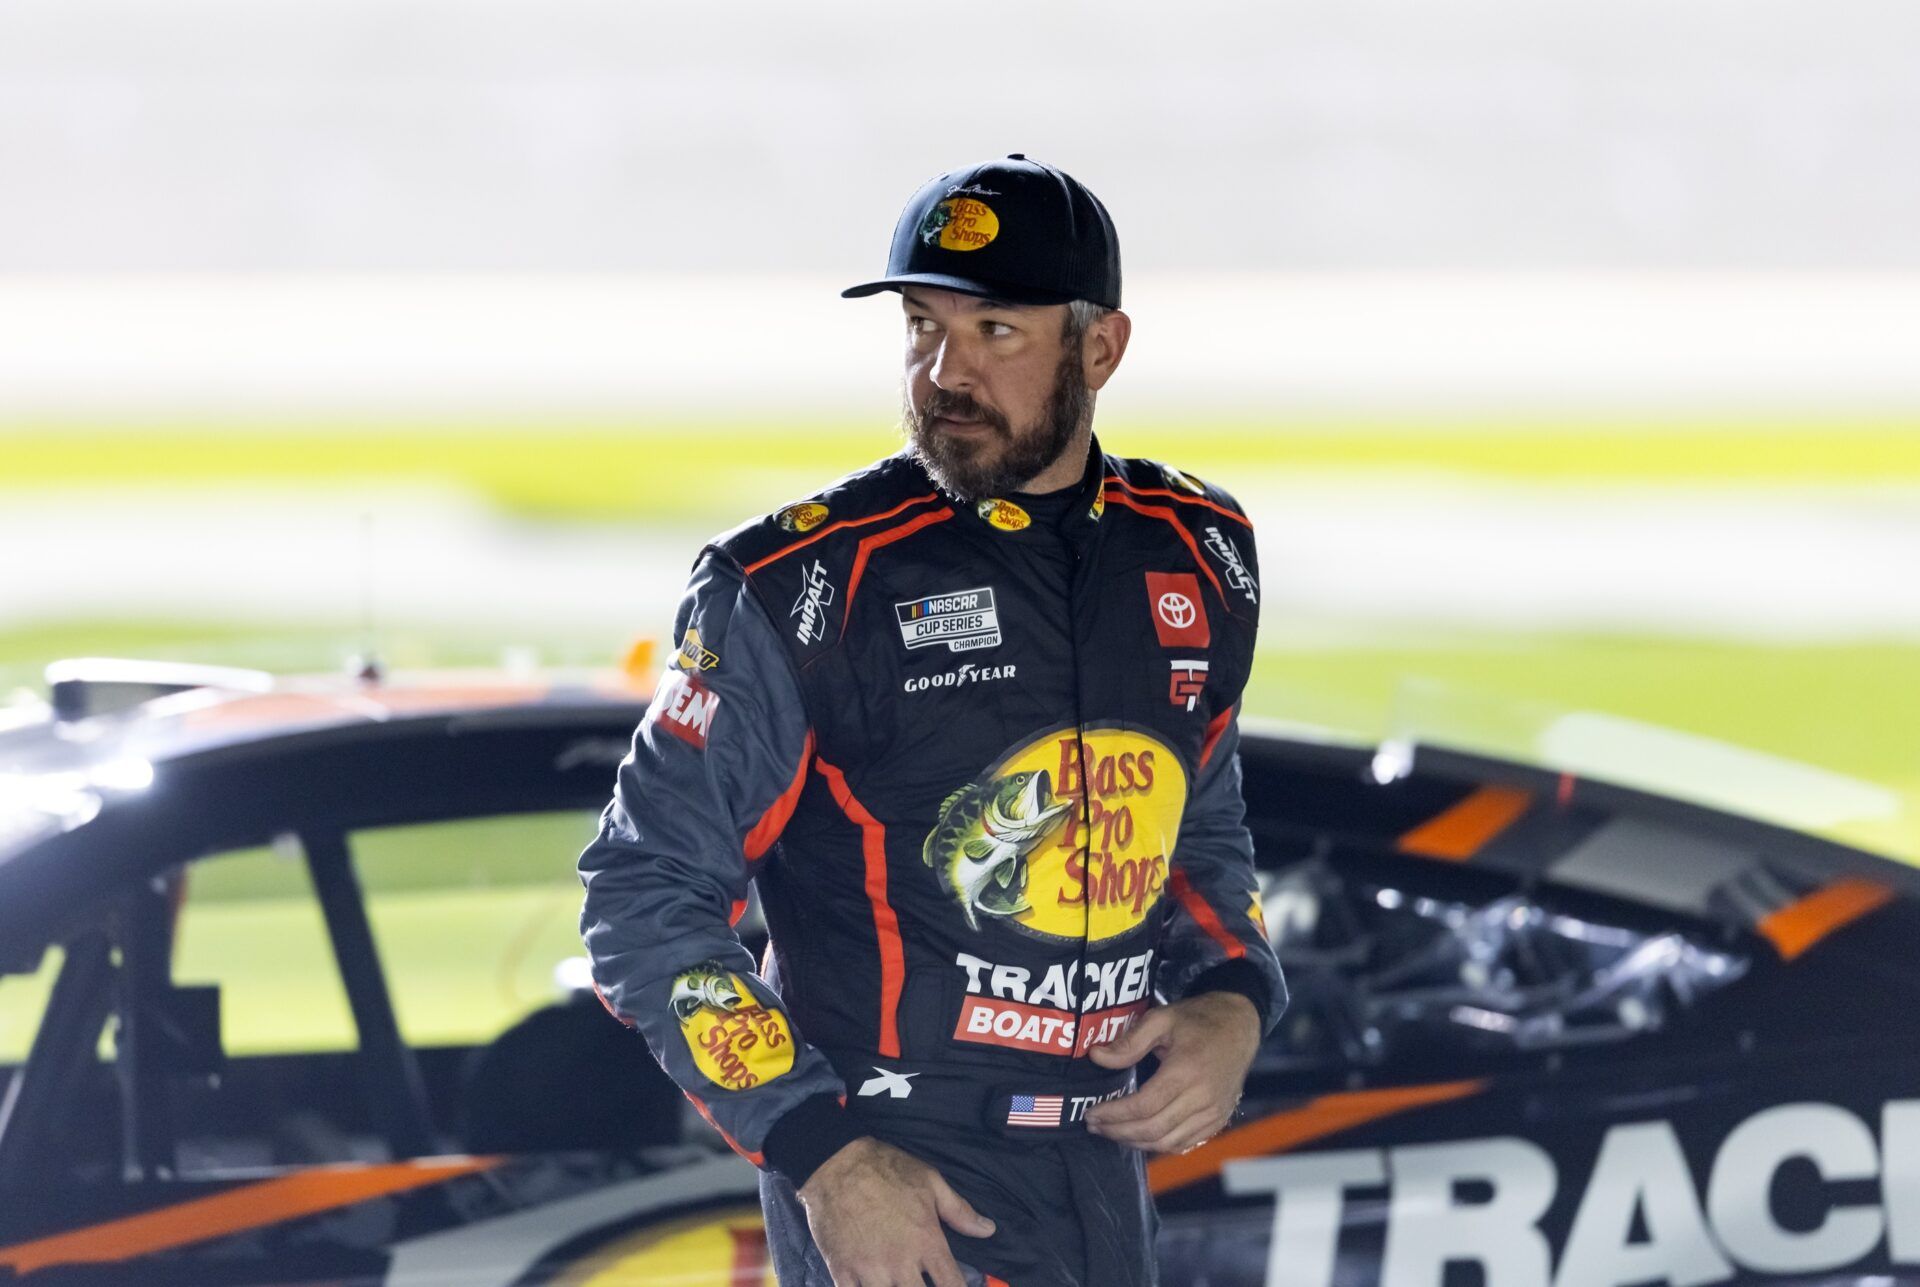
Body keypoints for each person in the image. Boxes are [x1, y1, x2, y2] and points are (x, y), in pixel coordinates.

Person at [577, 154, 1286, 1287]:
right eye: (920, 325)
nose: (943, 371)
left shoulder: (1198, 550)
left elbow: (1198, 825)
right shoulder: (798, 586)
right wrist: (825, 1158)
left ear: (1100, 348)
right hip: (905, 1205)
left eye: (995, 329)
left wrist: (1234, 998)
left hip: (1108, 1189)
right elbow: (640, 893)